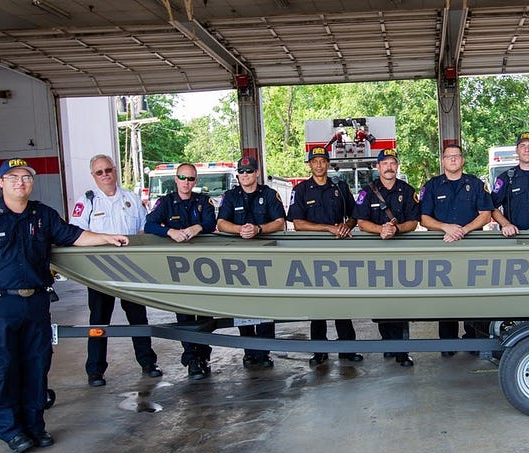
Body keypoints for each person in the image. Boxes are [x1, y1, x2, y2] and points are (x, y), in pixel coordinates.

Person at [0, 158, 129, 453]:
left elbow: (74, 236)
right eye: (13, 177)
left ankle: (34, 426)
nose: (20, 182)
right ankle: (10, 430)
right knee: (1, 368)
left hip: (36, 302)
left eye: (26, 177)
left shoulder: (43, 215)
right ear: (0, 183)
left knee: (36, 366)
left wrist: (107, 237)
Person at [72, 154, 159, 387]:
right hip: (100, 271)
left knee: (138, 319)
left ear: (115, 171)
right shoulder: (87, 202)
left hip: (130, 270)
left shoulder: (131, 198)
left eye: (108, 170)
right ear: (93, 176)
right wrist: (106, 239)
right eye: (99, 172)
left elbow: (143, 231)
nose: (105, 175)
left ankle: (148, 363)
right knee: (99, 322)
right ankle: (95, 370)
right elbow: (76, 234)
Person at [287, 146, 364, 366]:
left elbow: (355, 215)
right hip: (312, 252)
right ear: (309, 165)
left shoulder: (339, 187)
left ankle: (348, 350)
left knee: (342, 301)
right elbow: (299, 224)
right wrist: (328, 228)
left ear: (327, 164)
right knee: (317, 304)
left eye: (322, 161)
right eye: (315, 161)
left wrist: (345, 227)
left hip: (339, 251)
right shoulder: (301, 190)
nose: (319, 165)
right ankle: (319, 351)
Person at [144, 163, 218, 380]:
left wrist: (198, 227)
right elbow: (149, 225)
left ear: (195, 181)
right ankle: (191, 359)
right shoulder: (165, 203)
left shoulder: (203, 202)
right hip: (177, 270)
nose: (186, 182)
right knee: (184, 314)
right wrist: (170, 231)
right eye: (182, 178)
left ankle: (203, 355)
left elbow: (212, 222)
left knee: (205, 314)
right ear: (175, 179)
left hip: (204, 268)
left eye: (191, 179)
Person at [419, 144, 493, 353]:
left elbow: (485, 214)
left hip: (471, 249)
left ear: (463, 160)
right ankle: (448, 343)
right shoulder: (432, 186)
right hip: (442, 249)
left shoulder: (476, 184)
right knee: (446, 297)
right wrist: (445, 227)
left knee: (473, 295)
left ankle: (472, 341)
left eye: (456, 156)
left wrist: (464, 230)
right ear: (442, 161)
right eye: (448, 157)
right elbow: (424, 218)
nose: (452, 159)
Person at [216, 154, 287, 369]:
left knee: (265, 304)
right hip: (239, 260)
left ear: (257, 173)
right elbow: (220, 223)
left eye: (249, 171)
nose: (245, 175)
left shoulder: (269, 194)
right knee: (243, 306)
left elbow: (280, 222)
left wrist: (258, 229)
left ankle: (263, 352)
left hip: (265, 259)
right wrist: (239, 229)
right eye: (241, 171)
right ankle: (249, 351)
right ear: (237, 174)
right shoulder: (230, 196)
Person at [353, 148, 420, 366]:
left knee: (401, 304)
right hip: (376, 255)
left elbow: (414, 221)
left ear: (397, 166)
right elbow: (361, 222)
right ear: (378, 167)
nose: (389, 167)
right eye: (385, 163)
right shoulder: (367, 192)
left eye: (393, 162)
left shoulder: (407, 191)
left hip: (401, 254)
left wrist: (396, 229)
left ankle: (402, 351)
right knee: (381, 303)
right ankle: (387, 345)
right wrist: (381, 230)